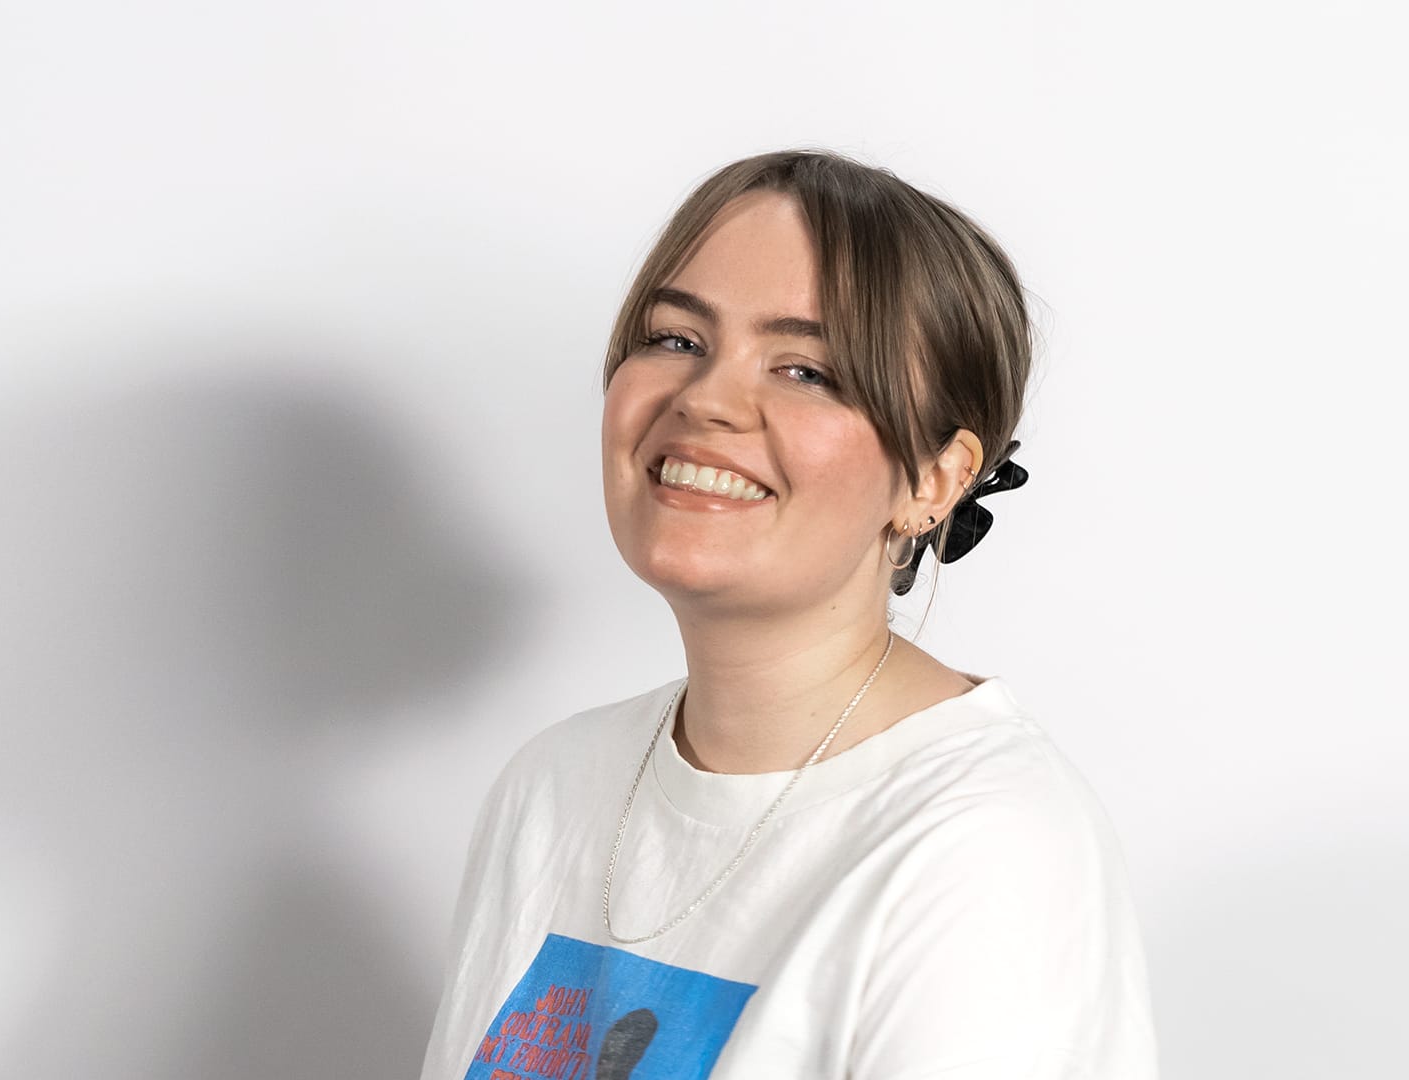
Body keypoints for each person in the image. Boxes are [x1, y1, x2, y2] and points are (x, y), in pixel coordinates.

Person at [419, 149, 1159, 1079]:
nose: (706, 400)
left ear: (935, 480)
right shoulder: (554, 787)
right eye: (676, 339)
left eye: (806, 370)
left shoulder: (984, 846)